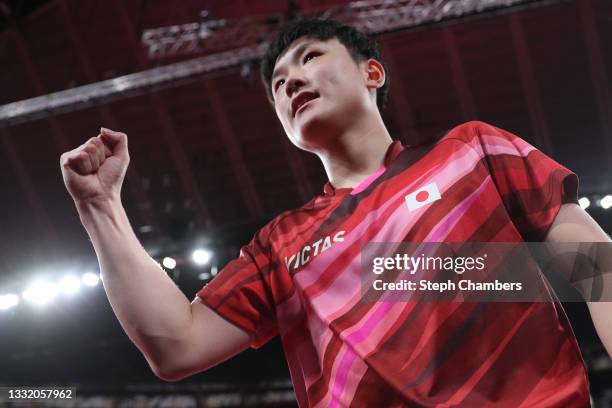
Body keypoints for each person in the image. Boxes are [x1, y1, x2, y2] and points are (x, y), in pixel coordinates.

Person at [60, 18, 611, 407]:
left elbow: (597, 270)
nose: (291, 81)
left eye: (310, 57)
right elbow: (175, 345)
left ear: (373, 74)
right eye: (278, 84)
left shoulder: (470, 152)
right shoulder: (281, 243)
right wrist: (100, 207)